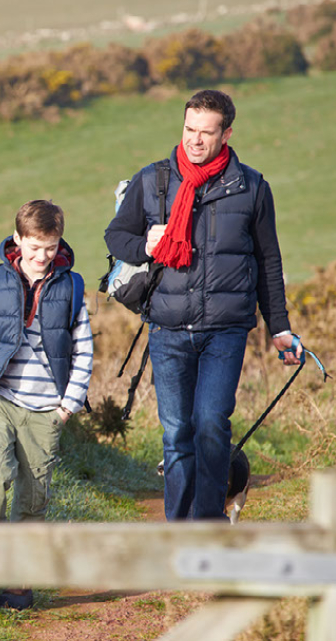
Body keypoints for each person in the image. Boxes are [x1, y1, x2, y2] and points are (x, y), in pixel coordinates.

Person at [104, 89, 302, 522]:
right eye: (189, 129)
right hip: (168, 330)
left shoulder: (251, 187)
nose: (195, 140)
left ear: (226, 133)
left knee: (211, 425)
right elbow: (115, 238)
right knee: (177, 433)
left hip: (225, 331)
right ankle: (179, 531)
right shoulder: (153, 180)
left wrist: (280, 327)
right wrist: (144, 244)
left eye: (206, 133)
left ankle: (208, 527)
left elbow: (268, 260)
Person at [0, 199, 93, 609]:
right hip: (0, 401)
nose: (42, 257)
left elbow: (84, 352)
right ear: (18, 240)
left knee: (33, 499)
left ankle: (18, 584)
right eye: (34, 248)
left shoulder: (71, 288)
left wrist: (66, 408)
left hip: (46, 411)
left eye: (50, 248)